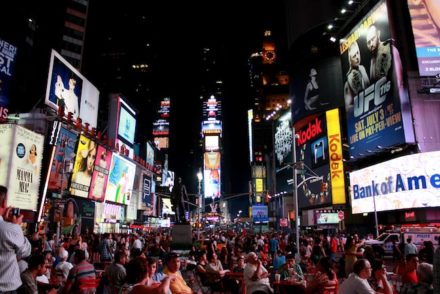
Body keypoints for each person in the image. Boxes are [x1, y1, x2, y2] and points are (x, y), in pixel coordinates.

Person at [0, 186, 32, 293]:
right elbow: (26, 251)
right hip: (6, 289)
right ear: (4, 203)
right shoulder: (10, 229)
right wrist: (16, 227)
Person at [344, 41, 370, 111]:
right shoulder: (348, 81)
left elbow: (368, 87)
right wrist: (359, 108)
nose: (357, 57)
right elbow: (347, 107)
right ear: (350, 59)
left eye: (358, 53)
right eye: (354, 56)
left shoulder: (362, 68)